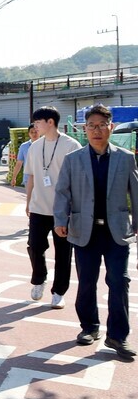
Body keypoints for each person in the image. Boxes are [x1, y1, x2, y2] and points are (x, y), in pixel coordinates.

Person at [54, 105, 138, 360]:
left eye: (102, 125)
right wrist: (60, 219)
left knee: (119, 281)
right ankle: (89, 327)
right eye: (91, 126)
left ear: (111, 127)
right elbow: (62, 192)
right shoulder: (73, 159)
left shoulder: (125, 157)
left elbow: (136, 192)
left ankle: (118, 335)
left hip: (116, 232)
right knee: (87, 282)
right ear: (85, 129)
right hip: (84, 230)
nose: (97, 130)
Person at [23, 106, 80, 308]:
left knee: (63, 252)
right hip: (39, 207)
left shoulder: (71, 145)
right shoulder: (34, 147)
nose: (35, 126)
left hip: (63, 209)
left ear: (50, 122)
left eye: (38, 122)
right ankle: (39, 279)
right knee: (35, 247)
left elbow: (77, 180)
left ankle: (59, 292)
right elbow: (31, 177)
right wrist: (28, 201)